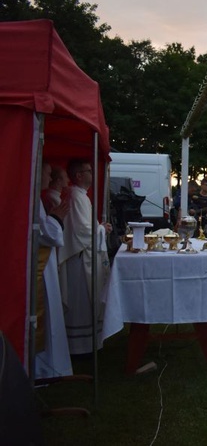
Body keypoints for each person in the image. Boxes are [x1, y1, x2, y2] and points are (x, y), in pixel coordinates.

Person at [58, 159, 111, 355]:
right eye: (89, 170)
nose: (92, 173)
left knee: (87, 302)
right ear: (79, 175)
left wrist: (100, 229)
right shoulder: (75, 196)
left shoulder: (81, 195)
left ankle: (89, 343)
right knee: (81, 303)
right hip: (80, 259)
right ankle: (79, 347)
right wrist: (101, 229)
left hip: (84, 256)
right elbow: (83, 231)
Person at [35, 162, 72, 378]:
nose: (49, 179)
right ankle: (42, 369)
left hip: (45, 261)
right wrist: (56, 217)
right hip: (40, 263)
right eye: (48, 174)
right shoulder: (36, 198)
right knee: (44, 314)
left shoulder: (38, 197)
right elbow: (47, 233)